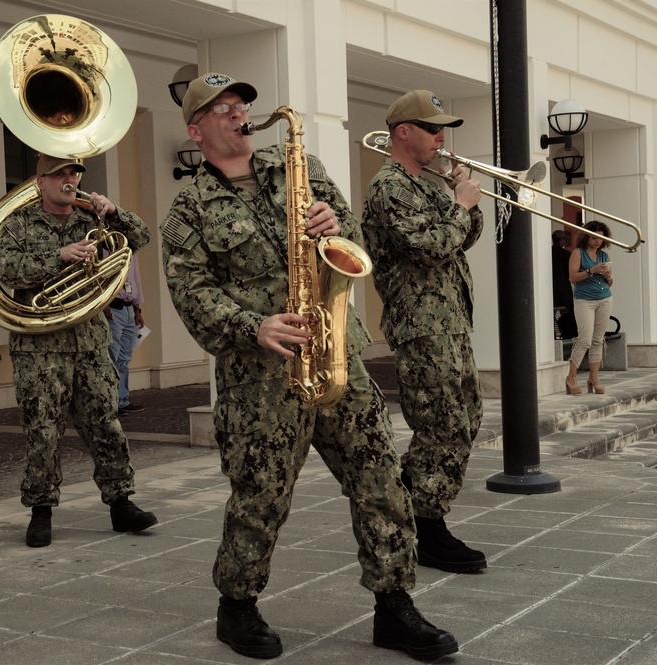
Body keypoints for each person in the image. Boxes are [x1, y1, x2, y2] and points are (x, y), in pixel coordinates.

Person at [162, 72, 457, 661]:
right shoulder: (188, 208)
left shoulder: (300, 166)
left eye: (240, 104)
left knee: (380, 479)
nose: (238, 114)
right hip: (261, 376)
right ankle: (237, 605)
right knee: (261, 495)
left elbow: (354, 236)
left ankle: (394, 606)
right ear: (196, 131)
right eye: (222, 109)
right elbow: (190, 291)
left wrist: (334, 224)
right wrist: (252, 325)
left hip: (336, 350)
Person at [0, 153, 158, 548]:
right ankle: (41, 512)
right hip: (39, 347)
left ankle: (121, 503)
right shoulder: (19, 223)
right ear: (41, 182)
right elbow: (4, 269)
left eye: (74, 173)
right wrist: (58, 256)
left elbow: (140, 237)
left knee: (105, 423)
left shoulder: (92, 220)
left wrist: (113, 212)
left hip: (90, 341)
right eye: (59, 175)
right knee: (43, 429)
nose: (69, 180)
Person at [362, 89, 488, 576]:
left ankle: (410, 510)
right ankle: (427, 526)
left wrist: (466, 202)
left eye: (443, 129)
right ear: (403, 132)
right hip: (421, 326)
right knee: (440, 424)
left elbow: (461, 240)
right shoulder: (389, 187)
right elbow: (431, 247)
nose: (441, 138)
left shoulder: (429, 185)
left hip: (449, 321)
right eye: (433, 128)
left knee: (465, 418)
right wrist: (460, 205)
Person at [565, 221, 614, 395]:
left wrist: (608, 276)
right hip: (584, 300)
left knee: (598, 340)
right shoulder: (578, 253)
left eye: (600, 238)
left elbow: (610, 282)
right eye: (594, 237)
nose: (597, 241)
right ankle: (571, 377)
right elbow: (572, 278)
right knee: (585, 339)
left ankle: (594, 378)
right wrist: (591, 271)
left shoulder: (604, 255)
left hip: (604, 298)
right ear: (586, 237)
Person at [107, 254, 145, 415]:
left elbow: (136, 280)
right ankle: (110, 403)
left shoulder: (132, 254)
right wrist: (104, 306)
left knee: (124, 358)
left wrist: (137, 310)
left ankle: (122, 401)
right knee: (112, 357)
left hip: (129, 308)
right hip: (113, 308)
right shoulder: (104, 251)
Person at [552, 230, 578, 339]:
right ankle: (568, 334)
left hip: (551, 289)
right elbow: (571, 273)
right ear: (562, 239)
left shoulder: (547, 253)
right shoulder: (566, 254)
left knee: (552, 314)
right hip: (564, 290)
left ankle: (554, 336)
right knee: (568, 313)